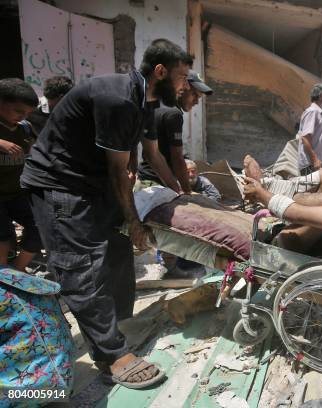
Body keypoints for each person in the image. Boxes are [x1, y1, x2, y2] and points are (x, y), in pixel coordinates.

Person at [20, 39, 193, 389]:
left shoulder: (145, 102)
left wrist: (182, 196)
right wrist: (131, 216)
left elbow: (146, 156)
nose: (185, 85)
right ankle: (111, 354)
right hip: (60, 185)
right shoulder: (118, 98)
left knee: (117, 251)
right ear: (160, 71)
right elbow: (118, 172)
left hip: (95, 182)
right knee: (82, 267)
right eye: (182, 76)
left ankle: (118, 325)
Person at [138, 70, 213, 193]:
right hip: (158, 184)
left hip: (146, 180)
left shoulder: (157, 104)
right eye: (194, 95)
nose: (196, 102)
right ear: (183, 87)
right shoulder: (173, 114)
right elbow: (176, 158)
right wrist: (186, 192)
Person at [0, 78, 42, 271]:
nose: (23, 116)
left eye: (27, 113)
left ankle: (17, 272)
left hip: (16, 194)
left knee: (39, 226)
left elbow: (40, 152)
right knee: (3, 238)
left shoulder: (25, 129)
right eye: (18, 111)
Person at [297, 84, 322, 175]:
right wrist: (315, 159)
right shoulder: (312, 112)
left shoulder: (318, 113)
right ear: (320, 97)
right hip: (311, 165)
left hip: (317, 165)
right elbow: (305, 138)